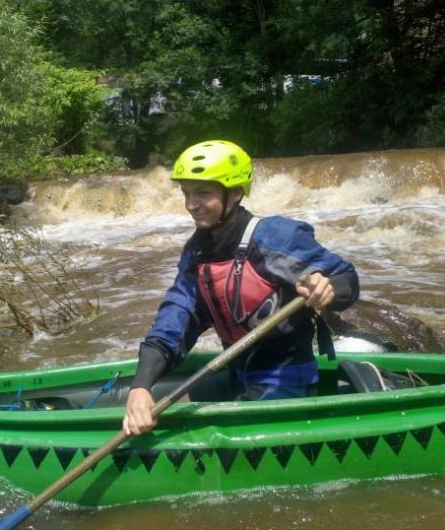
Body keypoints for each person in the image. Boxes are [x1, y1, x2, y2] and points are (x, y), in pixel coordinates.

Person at [122, 140, 359, 436]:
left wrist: (329, 287)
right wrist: (141, 385)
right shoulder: (198, 252)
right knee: (200, 393)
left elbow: (346, 278)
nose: (191, 204)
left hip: (284, 376)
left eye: (203, 193)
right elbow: (176, 317)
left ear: (235, 193)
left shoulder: (275, 237)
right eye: (186, 193)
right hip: (238, 371)